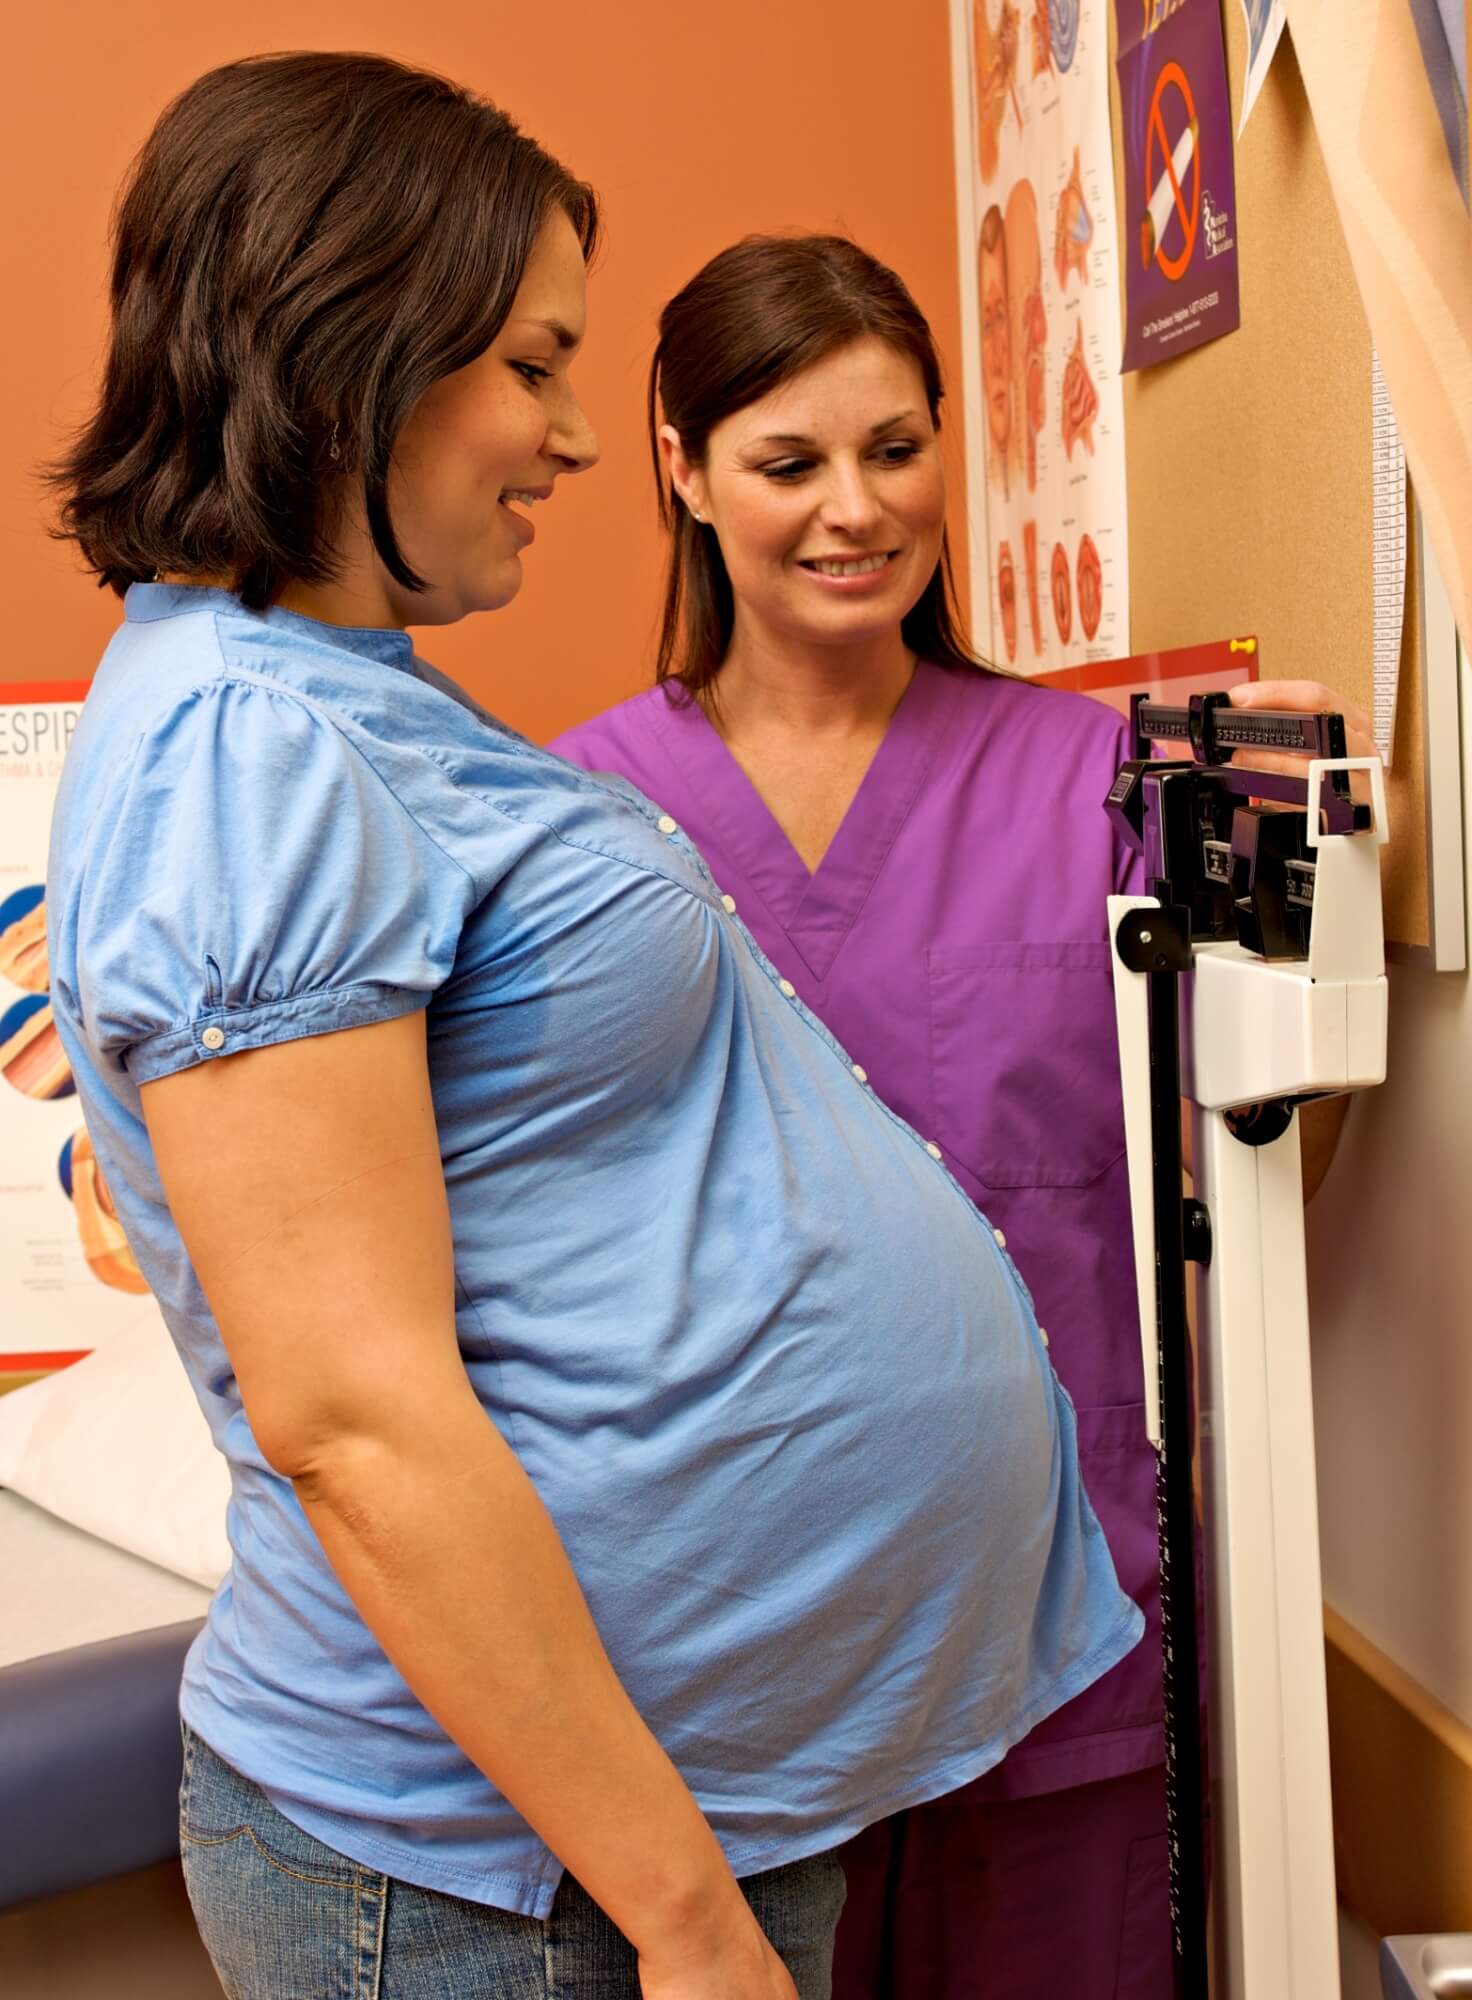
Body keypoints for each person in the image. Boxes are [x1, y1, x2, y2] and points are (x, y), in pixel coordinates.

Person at [43, 56, 1144, 2000]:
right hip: (522, 1879)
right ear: (351, 357)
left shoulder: (330, 701)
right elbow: (349, 1419)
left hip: (644, 1818)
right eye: (533, 366)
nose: (568, 434)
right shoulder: (249, 742)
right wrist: (688, 1919)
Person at [550, 232, 1373, 1998]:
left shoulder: (1104, 785)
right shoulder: (575, 822)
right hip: (729, 1630)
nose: (856, 509)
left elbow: (1271, 1134)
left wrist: (1310, 824)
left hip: (1062, 1609)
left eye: (898, 448)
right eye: (789, 463)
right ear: (683, 472)